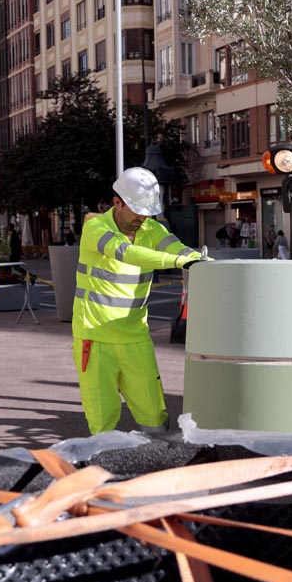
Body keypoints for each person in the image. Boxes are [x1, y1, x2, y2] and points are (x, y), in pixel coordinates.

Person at [73, 167, 208, 435]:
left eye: (147, 212)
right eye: (137, 210)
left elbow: (180, 249)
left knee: (153, 415)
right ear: (117, 203)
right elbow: (127, 253)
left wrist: (203, 261)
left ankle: (156, 452)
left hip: (135, 336)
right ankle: (104, 459)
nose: (142, 217)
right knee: (102, 418)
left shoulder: (152, 229)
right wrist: (178, 261)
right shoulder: (95, 229)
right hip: (96, 337)